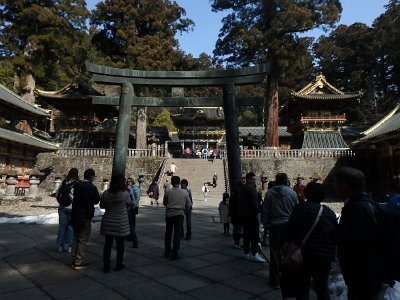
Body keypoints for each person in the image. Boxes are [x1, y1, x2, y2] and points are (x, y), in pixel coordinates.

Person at [331, 167, 383, 299]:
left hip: (362, 271)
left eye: (336, 183)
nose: (334, 186)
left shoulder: (359, 208)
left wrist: (334, 233)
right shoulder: (364, 204)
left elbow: (357, 242)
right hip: (364, 271)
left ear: (344, 185)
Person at [280, 182, 338, 300]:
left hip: (304, 255)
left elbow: (291, 230)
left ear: (306, 194)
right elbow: (333, 236)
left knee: (302, 287)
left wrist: (286, 246)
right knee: (322, 288)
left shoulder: (300, 208)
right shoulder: (329, 213)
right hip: (324, 257)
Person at [265, 173, 298, 288]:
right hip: (288, 225)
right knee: (288, 252)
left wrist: (265, 224)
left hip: (275, 225)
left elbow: (265, 211)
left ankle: (275, 280)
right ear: (286, 181)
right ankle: (287, 278)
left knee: (274, 253)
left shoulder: (269, 193)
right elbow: (296, 211)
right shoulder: (293, 194)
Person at [70, 168, 100, 270]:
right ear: (91, 177)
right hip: (85, 215)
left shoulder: (77, 185)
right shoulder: (91, 187)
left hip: (75, 214)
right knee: (83, 239)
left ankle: (74, 259)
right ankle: (78, 261)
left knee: (75, 237)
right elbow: (96, 200)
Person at [100, 174, 131, 272]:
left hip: (108, 220)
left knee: (108, 244)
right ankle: (119, 264)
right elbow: (129, 204)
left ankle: (106, 266)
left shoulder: (106, 193)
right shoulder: (125, 193)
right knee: (120, 245)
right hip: (120, 222)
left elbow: (102, 206)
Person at [238, 172, 265, 263]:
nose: (255, 181)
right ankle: (254, 254)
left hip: (244, 215)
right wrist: (257, 213)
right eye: (253, 179)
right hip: (251, 215)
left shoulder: (242, 188)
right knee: (254, 235)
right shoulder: (251, 188)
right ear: (249, 179)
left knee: (246, 234)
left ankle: (246, 253)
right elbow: (255, 203)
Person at [163, 175, 191, 260]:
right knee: (177, 234)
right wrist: (184, 211)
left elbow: (164, 203)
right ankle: (175, 252)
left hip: (169, 215)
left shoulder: (168, 192)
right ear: (179, 183)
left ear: (171, 182)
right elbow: (189, 204)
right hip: (179, 215)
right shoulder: (185, 192)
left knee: (168, 233)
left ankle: (167, 251)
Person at [56, 168, 79, 253]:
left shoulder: (63, 182)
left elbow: (57, 194)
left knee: (62, 227)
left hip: (62, 207)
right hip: (72, 208)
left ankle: (60, 246)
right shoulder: (77, 184)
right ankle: (69, 246)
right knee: (70, 227)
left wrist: (61, 202)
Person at [127, 177, 140, 248]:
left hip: (133, 207)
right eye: (127, 181)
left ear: (132, 181)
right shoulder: (129, 188)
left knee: (132, 222)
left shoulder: (135, 188)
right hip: (130, 207)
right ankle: (130, 235)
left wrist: (134, 205)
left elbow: (137, 198)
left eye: (130, 181)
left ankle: (132, 237)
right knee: (131, 222)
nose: (128, 182)